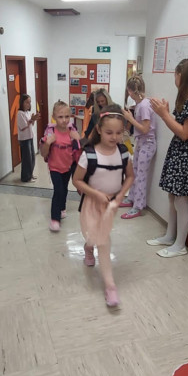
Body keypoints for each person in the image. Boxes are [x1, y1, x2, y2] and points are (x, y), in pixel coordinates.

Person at [73, 105, 134, 307]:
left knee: (100, 236)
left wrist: (120, 197)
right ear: (99, 129)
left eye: (119, 132)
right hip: (92, 202)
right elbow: (77, 180)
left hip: (111, 205)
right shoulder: (89, 154)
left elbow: (130, 176)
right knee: (102, 240)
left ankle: (89, 248)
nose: (114, 137)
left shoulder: (124, 153)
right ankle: (110, 285)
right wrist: (97, 194)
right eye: (109, 132)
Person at [148, 58, 188, 257]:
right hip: (179, 153)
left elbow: (184, 133)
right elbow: (179, 127)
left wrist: (164, 114)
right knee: (172, 197)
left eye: (176, 74)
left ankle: (180, 245)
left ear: (182, 75)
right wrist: (166, 113)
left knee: (182, 201)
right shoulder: (186, 98)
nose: (174, 78)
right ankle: (170, 236)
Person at [40, 100, 81, 232]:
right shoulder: (50, 133)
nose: (64, 120)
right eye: (60, 117)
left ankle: (62, 208)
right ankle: (55, 219)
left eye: (67, 116)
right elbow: (43, 154)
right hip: (54, 168)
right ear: (54, 117)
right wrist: (48, 143)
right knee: (58, 191)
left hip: (67, 167)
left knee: (64, 189)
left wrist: (78, 139)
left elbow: (78, 153)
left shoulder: (72, 132)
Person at [121, 75, 157, 219]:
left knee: (141, 176)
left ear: (130, 91)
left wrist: (130, 119)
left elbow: (145, 129)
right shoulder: (141, 104)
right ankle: (131, 198)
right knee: (134, 172)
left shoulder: (144, 106)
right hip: (141, 142)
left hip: (147, 143)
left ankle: (138, 206)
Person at [17, 93, 40, 182]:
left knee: (32, 157)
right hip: (24, 139)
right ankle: (26, 177)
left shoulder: (27, 112)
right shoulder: (20, 113)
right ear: (22, 103)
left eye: (30, 102)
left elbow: (31, 124)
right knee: (27, 159)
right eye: (27, 102)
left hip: (30, 137)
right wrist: (31, 120)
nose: (29, 104)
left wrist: (33, 119)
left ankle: (30, 174)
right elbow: (23, 126)